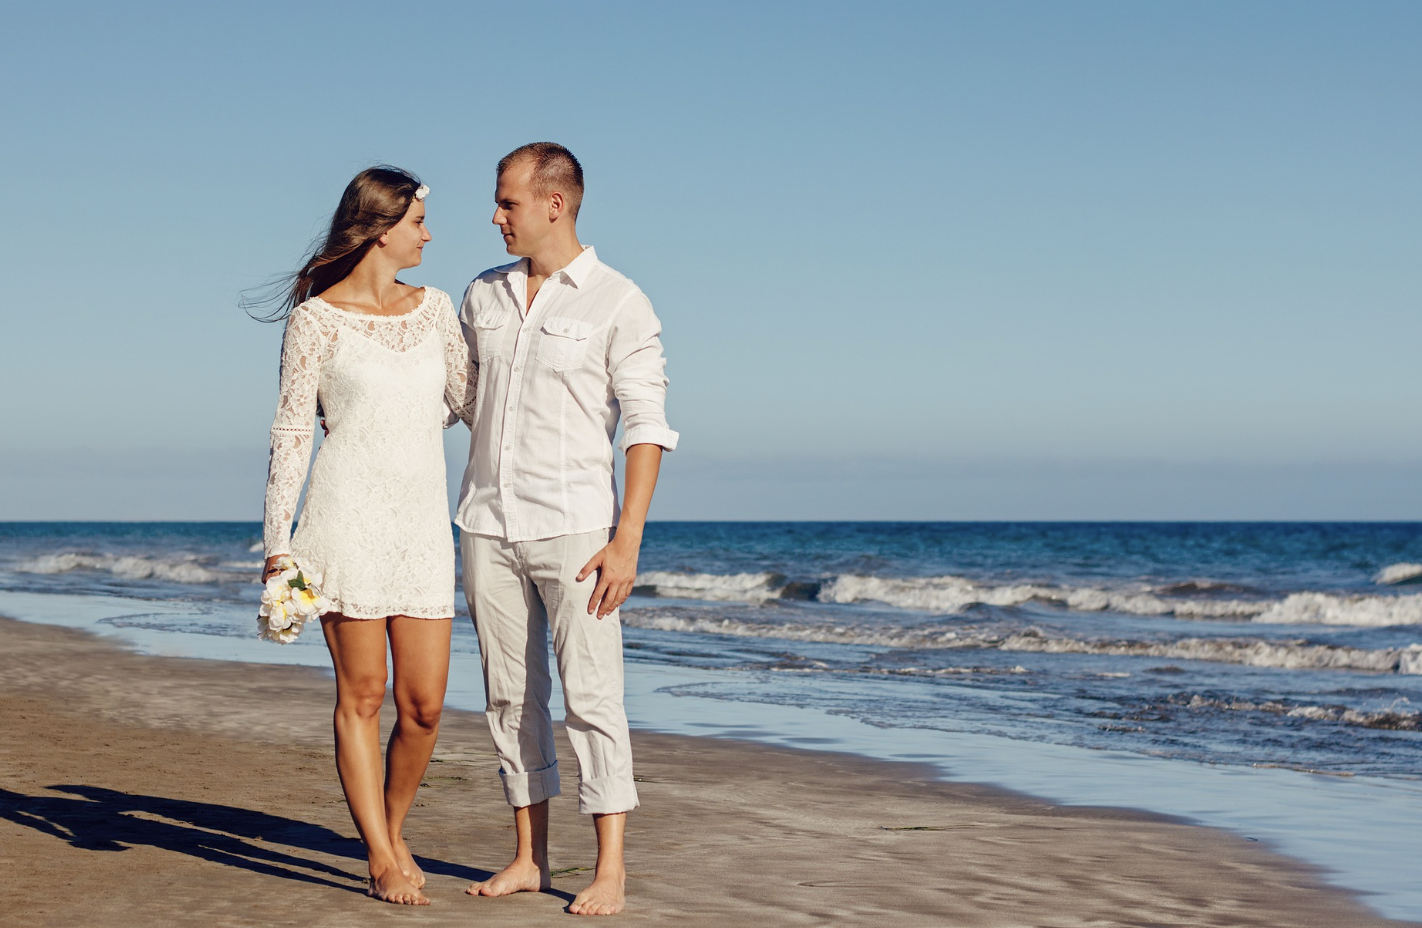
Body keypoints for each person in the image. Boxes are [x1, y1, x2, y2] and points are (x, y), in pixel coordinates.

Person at [456, 142, 678, 916]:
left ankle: (610, 867)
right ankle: (529, 857)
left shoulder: (620, 301)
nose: (495, 216)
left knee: (591, 697)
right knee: (509, 697)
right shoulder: (481, 295)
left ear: (555, 203)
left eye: (507, 202)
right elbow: (457, 399)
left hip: (580, 532)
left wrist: (629, 537)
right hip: (486, 522)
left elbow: (646, 426)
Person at [257, 166, 477, 906]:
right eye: (418, 220)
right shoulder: (316, 319)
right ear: (380, 228)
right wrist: (277, 546)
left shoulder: (437, 308)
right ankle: (382, 854)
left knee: (424, 707)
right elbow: (291, 430)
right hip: (343, 519)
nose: (428, 233)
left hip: (420, 526)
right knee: (364, 692)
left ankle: (388, 826)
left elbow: (465, 403)